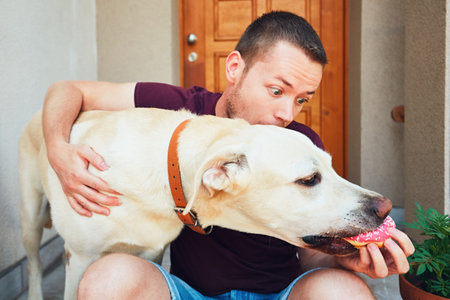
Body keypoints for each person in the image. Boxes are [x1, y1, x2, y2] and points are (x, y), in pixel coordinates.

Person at [42, 11, 414, 299]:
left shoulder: (300, 143)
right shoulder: (179, 112)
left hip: (279, 292)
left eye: (301, 99)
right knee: (108, 279)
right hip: (190, 292)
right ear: (235, 68)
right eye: (276, 90)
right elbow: (69, 89)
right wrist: (58, 149)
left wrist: (341, 254)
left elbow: (309, 250)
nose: (287, 113)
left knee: (344, 291)